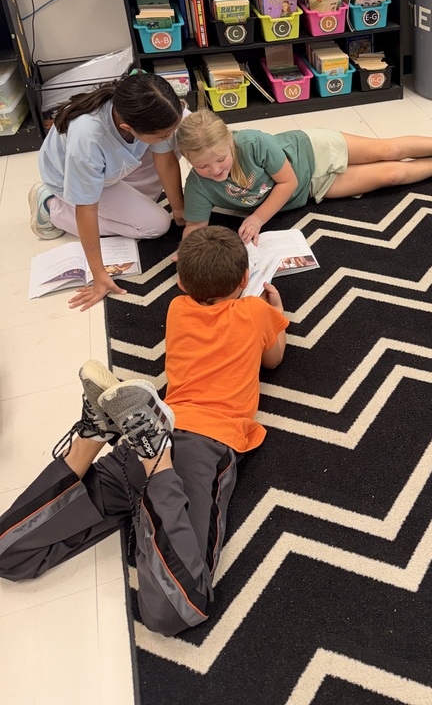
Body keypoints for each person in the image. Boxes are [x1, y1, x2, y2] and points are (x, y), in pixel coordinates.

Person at [0, 226, 288, 636]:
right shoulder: (256, 311)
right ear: (245, 279)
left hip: (140, 436)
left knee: (9, 554)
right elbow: (273, 359)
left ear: (182, 283)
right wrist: (276, 312)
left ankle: (91, 439)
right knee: (180, 607)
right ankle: (158, 465)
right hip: (202, 447)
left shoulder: (177, 308)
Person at [176, 110, 432, 245]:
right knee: (392, 174)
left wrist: (257, 219)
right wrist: (188, 254)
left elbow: (287, 182)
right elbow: (195, 227)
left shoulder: (252, 142)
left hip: (313, 150)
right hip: (314, 190)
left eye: (220, 159)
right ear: (187, 160)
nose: (215, 170)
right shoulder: (198, 186)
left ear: (230, 142)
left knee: (386, 150)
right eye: (202, 166)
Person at [28, 71, 185, 310]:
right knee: (157, 225)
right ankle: (50, 207)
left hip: (111, 166)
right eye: (162, 135)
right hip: (70, 179)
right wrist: (99, 274)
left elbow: (165, 158)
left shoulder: (144, 99)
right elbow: (87, 209)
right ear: (127, 127)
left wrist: (179, 210)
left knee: (181, 133)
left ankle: (132, 191)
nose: (168, 137)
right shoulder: (87, 138)